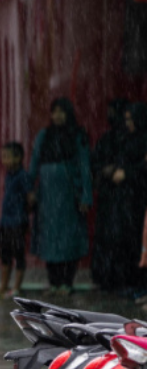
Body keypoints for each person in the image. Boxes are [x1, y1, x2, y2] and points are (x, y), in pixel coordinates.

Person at [30, 98, 92, 293]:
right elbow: (34, 164)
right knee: (49, 239)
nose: (57, 116)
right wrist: (30, 190)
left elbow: (84, 167)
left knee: (68, 239)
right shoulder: (44, 136)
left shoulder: (77, 136)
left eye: (61, 112)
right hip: (47, 197)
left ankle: (67, 281)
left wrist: (86, 195)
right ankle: (54, 281)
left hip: (68, 196)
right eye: (54, 112)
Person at [108, 103, 147, 292]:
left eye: (131, 119)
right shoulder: (127, 139)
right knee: (124, 239)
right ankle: (127, 282)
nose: (128, 123)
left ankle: (138, 283)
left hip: (138, 197)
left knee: (137, 240)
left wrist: (128, 173)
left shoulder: (143, 140)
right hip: (125, 199)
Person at [93, 98, 129, 289]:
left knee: (120, 237)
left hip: (125, 197)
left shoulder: (131, 139)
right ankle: (108, 277)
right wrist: (105, 171)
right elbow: (96, 163)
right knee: (109, 237)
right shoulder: (107, 139)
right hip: (110, 197)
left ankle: (120, 279)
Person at [0, 142, 34, 299]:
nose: (4, 161)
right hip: (6, 222)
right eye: (3, 157)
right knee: (5, 255)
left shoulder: (23, 176)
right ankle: (4, 285)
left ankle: (16, 287)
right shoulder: (8, 176)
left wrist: (25, 215)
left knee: (18, 254)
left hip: (17, 222)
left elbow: (30, 198)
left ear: (19, 158)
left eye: (7, 157)